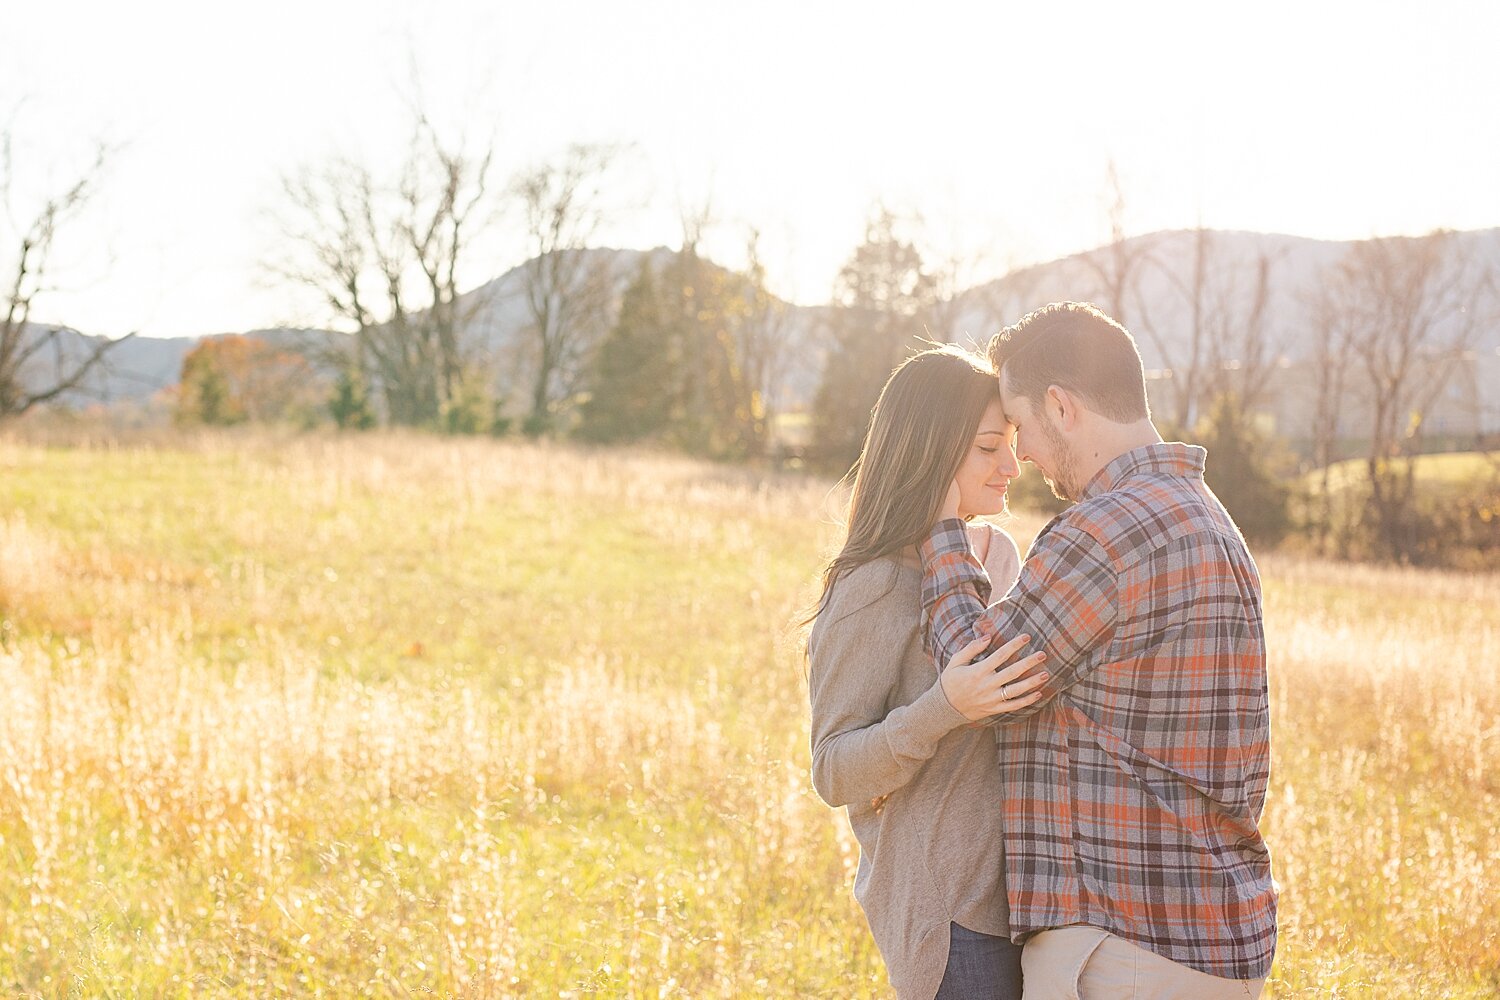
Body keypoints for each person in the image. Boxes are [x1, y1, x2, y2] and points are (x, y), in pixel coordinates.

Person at [920, 303, 1276, 999]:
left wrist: (939, 529)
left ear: (1061, 405)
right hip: (1211, 942)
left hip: (1124, 948)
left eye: (1021, 427)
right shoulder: (1208, 518)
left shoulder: (1105, 530)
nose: (1021, 458)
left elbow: (975, 674)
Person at [807, 345, 1050, 1000]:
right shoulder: (872, 585)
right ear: (933, 452)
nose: (1011, 464)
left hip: (1029, 906)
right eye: (988, 447)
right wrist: (941, 709)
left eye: (1012, 443)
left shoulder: (1000, 554)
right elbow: (832, 769)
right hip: (948, 920)